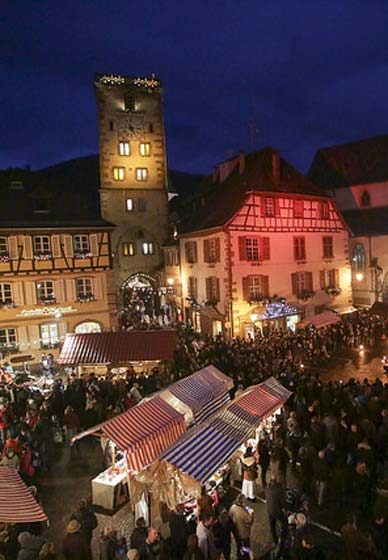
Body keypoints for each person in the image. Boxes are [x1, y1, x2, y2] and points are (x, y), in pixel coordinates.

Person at [265, 477, 288, 550]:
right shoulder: (279, 490)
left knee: (272, 526)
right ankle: (284, 535)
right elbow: (283, 502)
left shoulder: (267, 488)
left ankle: (275, 541)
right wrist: (285, 508)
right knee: (284, 522)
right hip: (277, 511)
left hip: (270, 510)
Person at [228, 494, 253, 559]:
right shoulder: (242, 512)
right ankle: (246, 556)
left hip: (236, 532)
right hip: (244, 533)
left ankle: (240, 554)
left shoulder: (233, 507)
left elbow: (230, 516)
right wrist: (251, 514)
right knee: (246, 545)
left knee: (239, 544)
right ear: (242, 502)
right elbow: (250, 520)